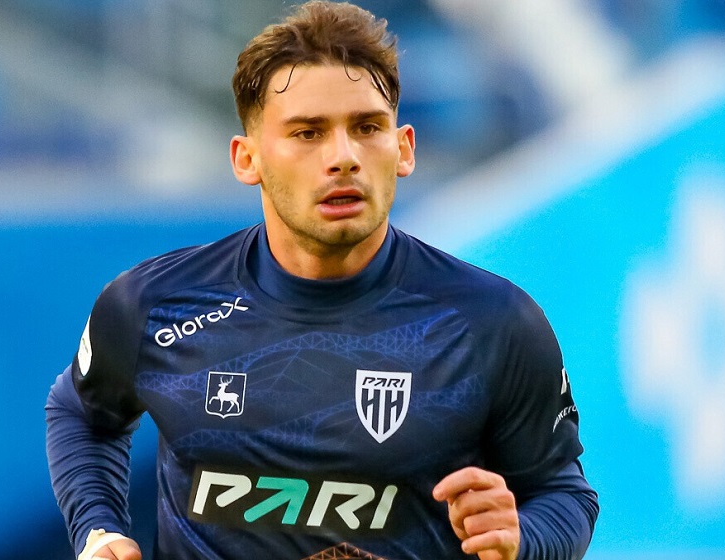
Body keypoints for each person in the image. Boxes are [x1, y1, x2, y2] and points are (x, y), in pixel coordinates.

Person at [45, 2, 599, 559]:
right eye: (308, 132)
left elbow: (563, 494)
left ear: (403, 148)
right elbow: (80, 414)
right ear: (247, 159)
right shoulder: (155, 305)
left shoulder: (492, 322)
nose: (343, 157)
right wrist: (97, 529)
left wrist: (521, 540)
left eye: (367, 128)